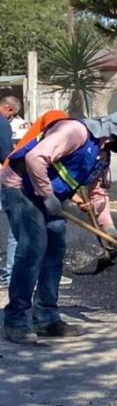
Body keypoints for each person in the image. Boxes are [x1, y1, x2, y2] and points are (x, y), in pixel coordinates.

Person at [0, 111, 117, 345]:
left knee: (55, 252)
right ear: (112, 135)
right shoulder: (74, 131)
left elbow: (98, 192)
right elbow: (35, 158)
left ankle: (46, 318)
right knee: (32, 250)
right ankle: (15, 320)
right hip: (20, 187)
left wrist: (109, 228)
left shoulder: (102, 155)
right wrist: (47, 196)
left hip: (48, 196)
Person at [1, 110, 68, 288]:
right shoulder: (41, 137)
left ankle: (19, 274)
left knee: (24, 236)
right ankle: (11, 274)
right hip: (15, 182)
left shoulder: (49, 137)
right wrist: (47, 195)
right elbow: (28, 162)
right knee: (23, 236)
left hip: (23, 182)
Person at [0, 96, 21, 287]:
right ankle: (11, 274)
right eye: (11, 113)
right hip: (4, 181)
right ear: (8, 108)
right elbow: (5, 154)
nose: (11, 117)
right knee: (16, 224)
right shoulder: (2, 122)